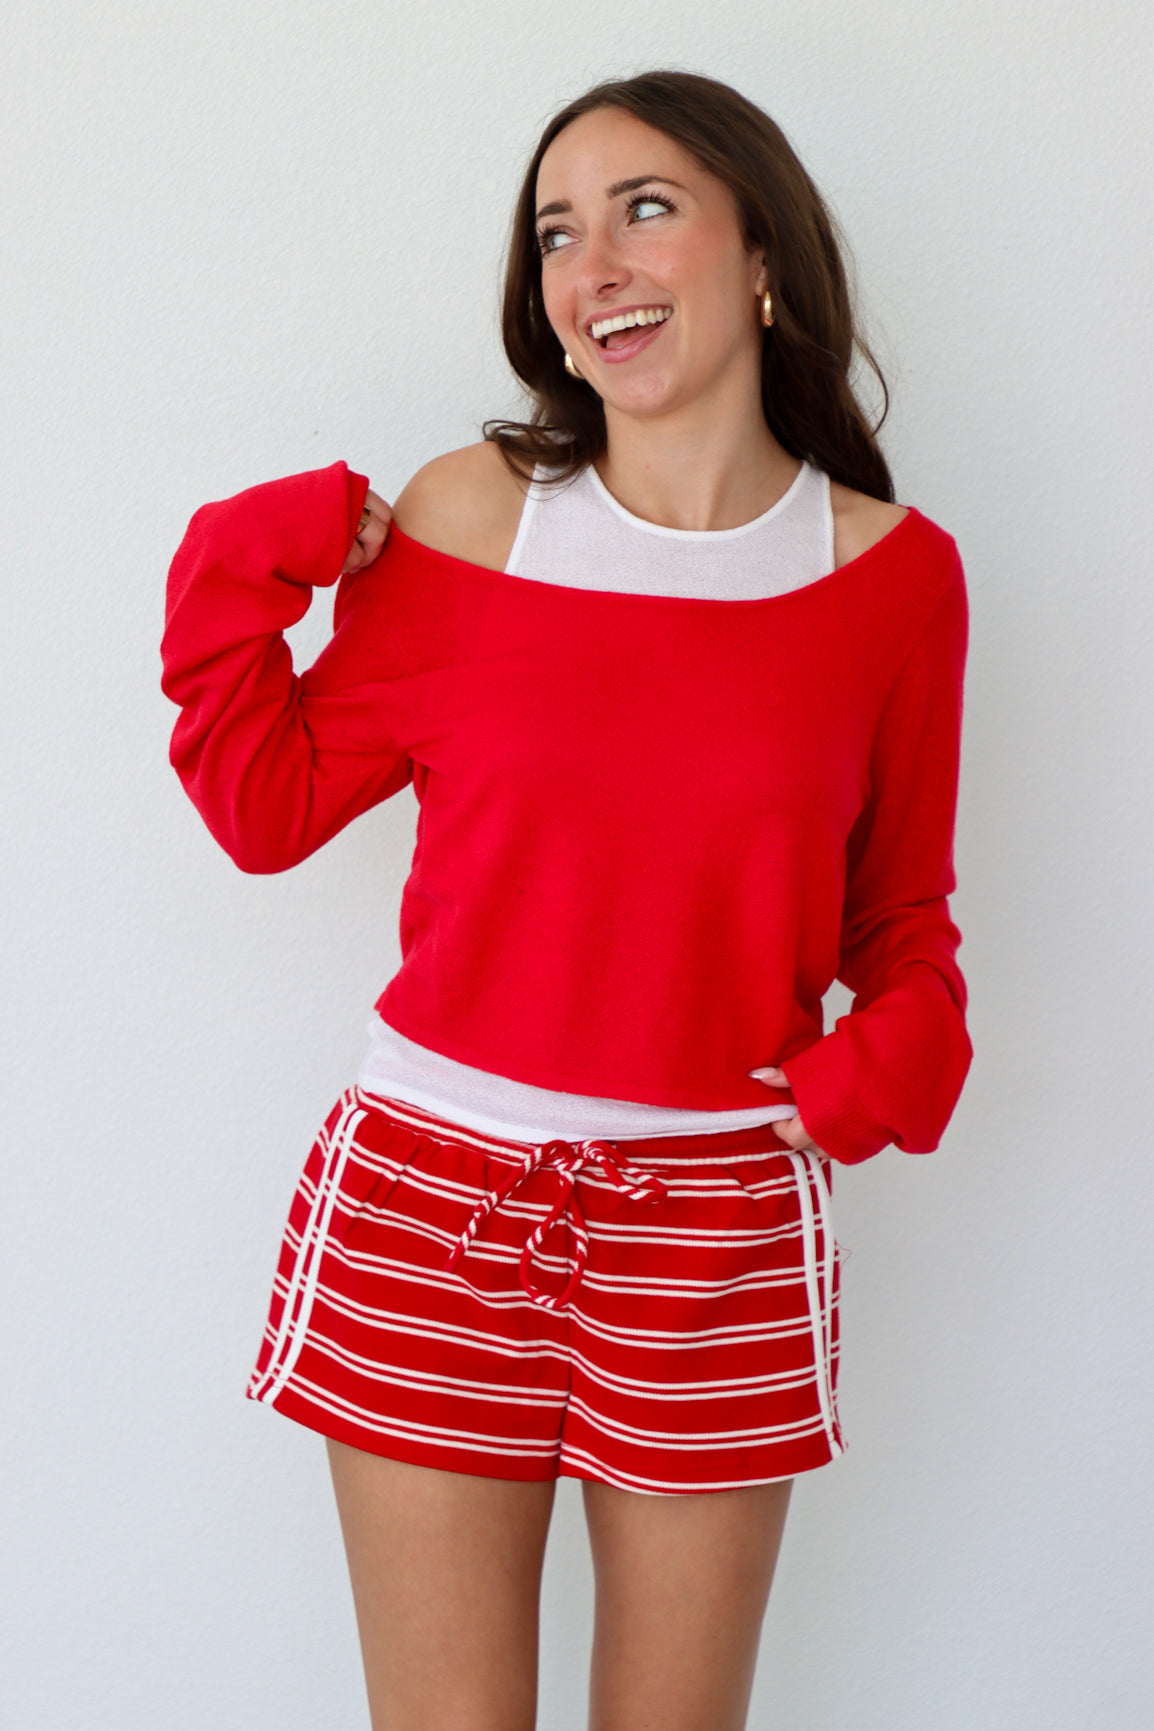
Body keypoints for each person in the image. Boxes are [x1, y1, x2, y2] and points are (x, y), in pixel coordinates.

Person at [161, 68, 970, 1731]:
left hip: (716, 1229)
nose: (591, 262)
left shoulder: (890, 576)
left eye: (644, 209)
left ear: (761, 258)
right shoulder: (470, 520)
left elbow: (900, 921)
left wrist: (868, 1071)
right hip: (431, 1204)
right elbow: (265, 808)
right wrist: (255, 548)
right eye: (555, 233)